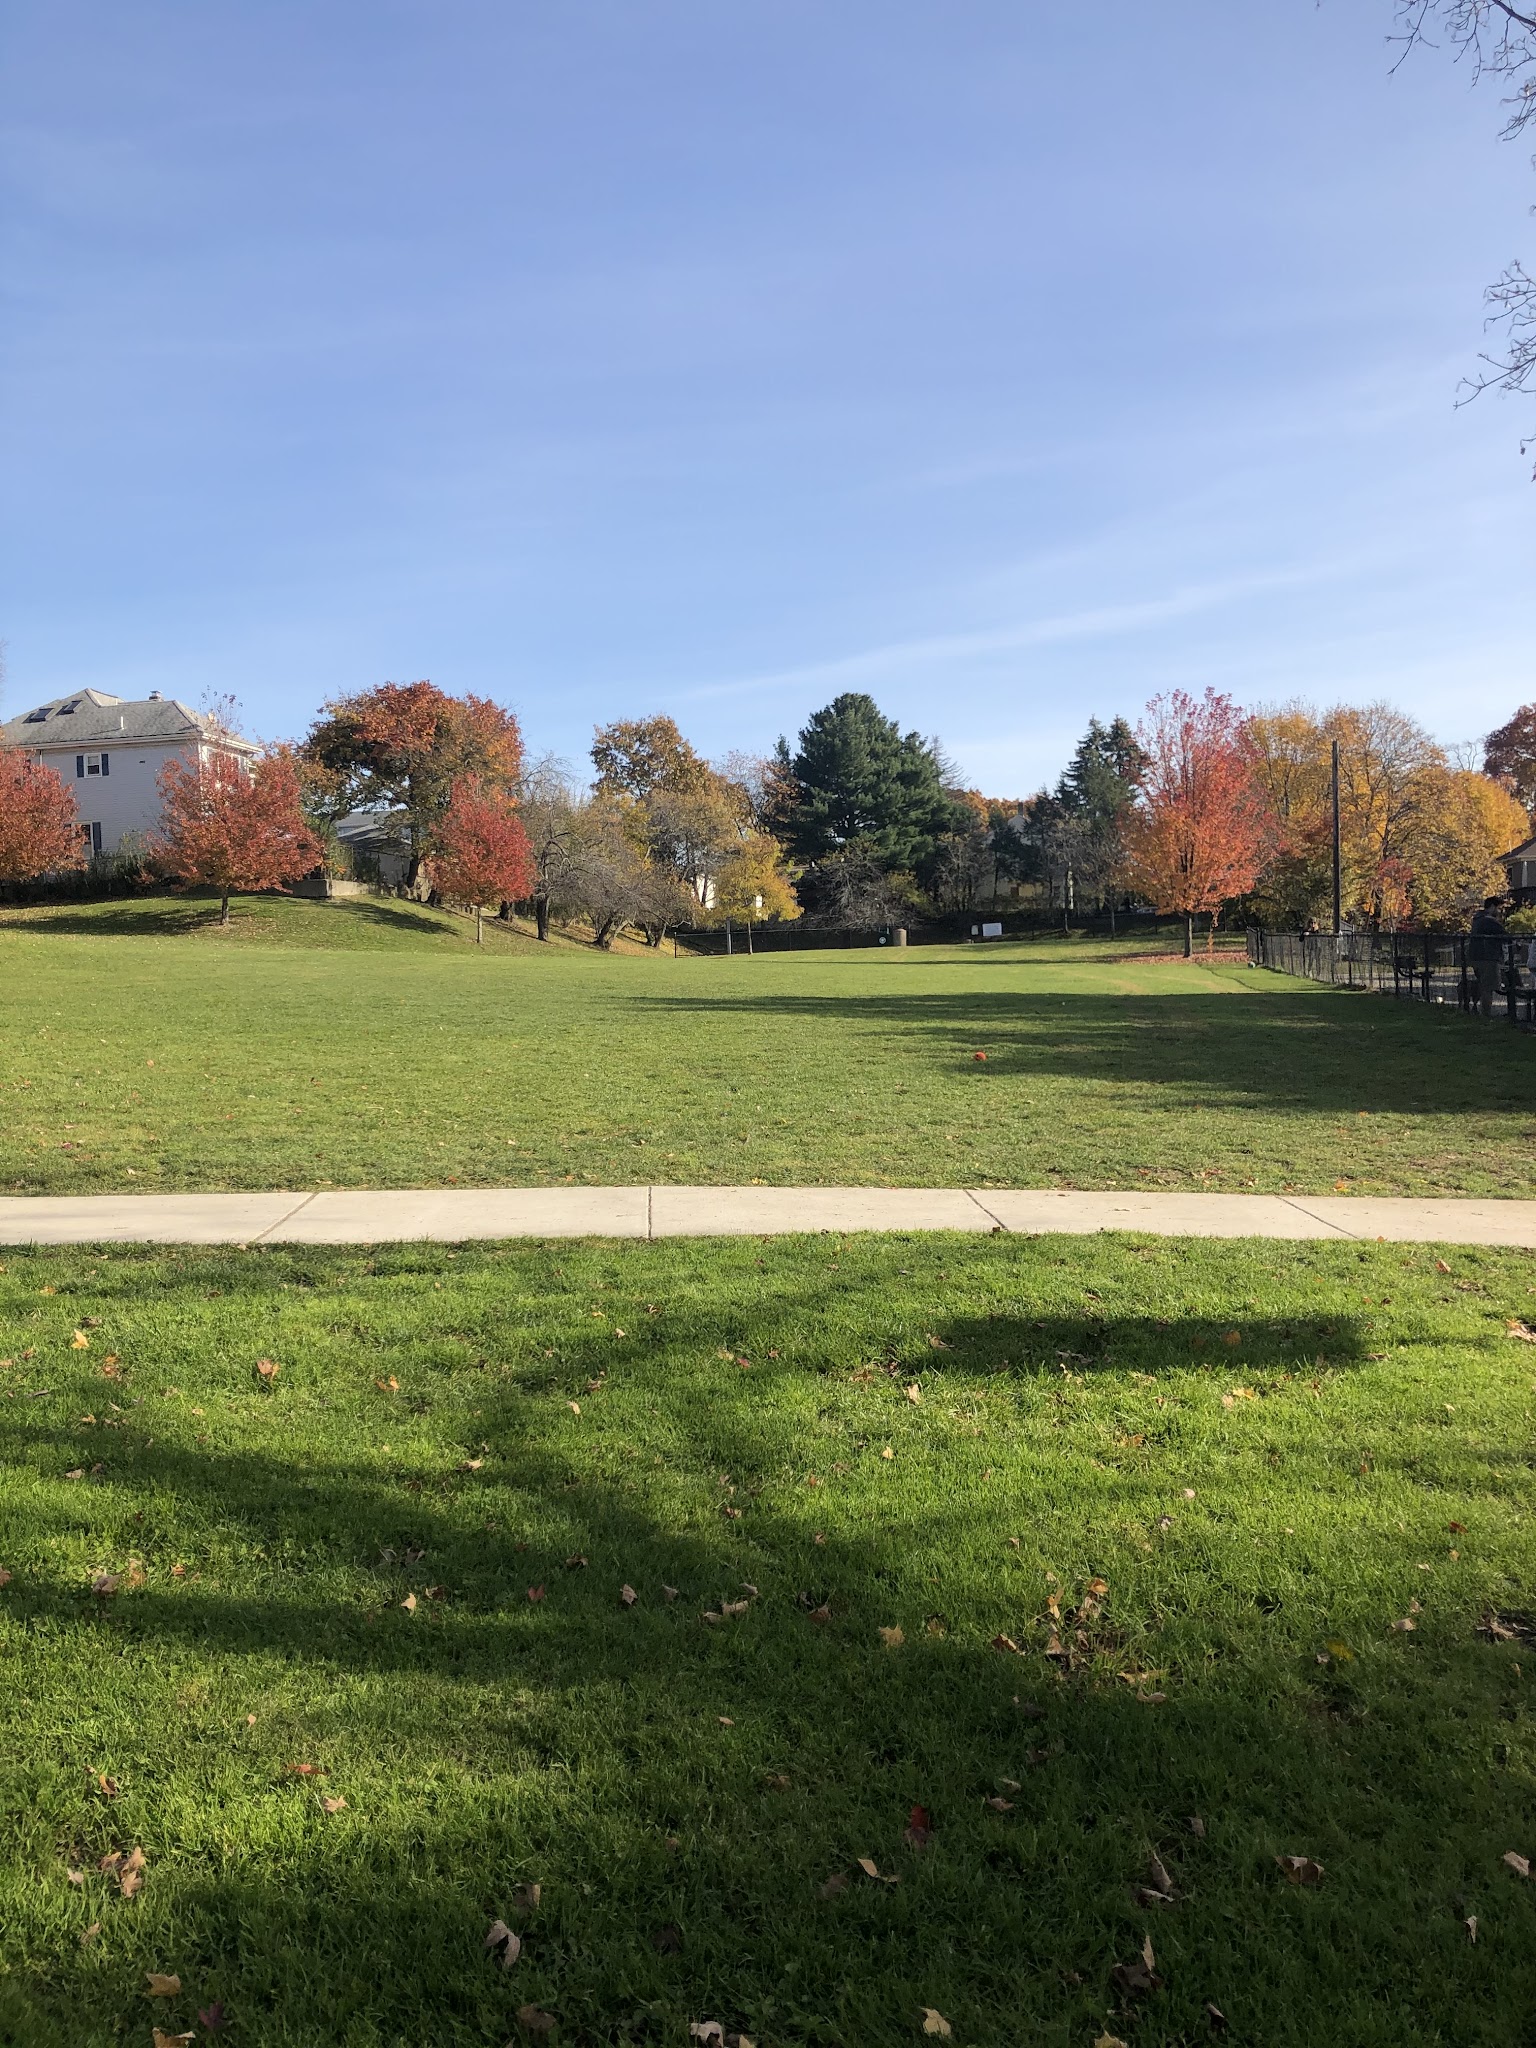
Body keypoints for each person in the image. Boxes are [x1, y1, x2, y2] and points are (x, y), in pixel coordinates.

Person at [1467, 895, 1509, 1019]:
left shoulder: (1478, 919)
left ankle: (1479, 1011)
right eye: (1498, 908)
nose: (1500, 911)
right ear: (1492, 907)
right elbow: (1505, 935)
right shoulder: (1489, 921)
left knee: (1484, 985)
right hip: (1488, 958)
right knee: (1488, 987)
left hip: (1477, 957)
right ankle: (1486, 1015)